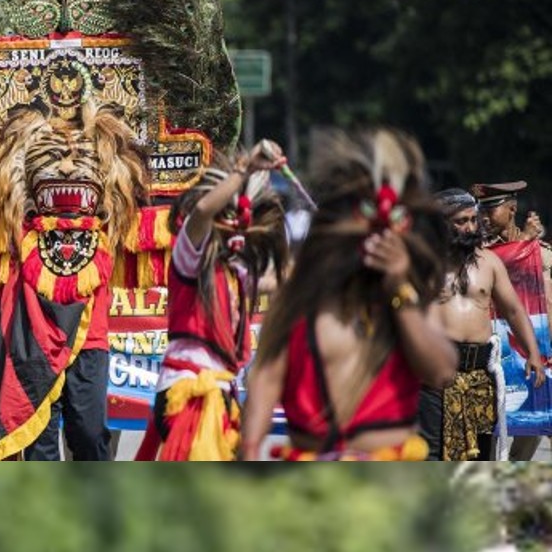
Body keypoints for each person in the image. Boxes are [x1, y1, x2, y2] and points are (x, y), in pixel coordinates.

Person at [242, 128, 458, 461]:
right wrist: (250, 450)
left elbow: (441, 371)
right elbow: (266, 377)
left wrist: (399, 289)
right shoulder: (301, 299)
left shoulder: (412, 297)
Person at [135, 140, 289, 460]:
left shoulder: (236, 276)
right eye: (228, 217)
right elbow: (204, 211)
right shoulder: (190, 258)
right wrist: (243, 169)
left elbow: (279, 280)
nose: (236, 228)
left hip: (221, 395)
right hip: (190, 394)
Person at [419, 188, 544, 461]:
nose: (470, 227)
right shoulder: (424, 265)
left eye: (472, 220)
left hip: (479, 377)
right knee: (431, 456)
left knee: (480, 456)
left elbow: (513, 310)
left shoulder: (489, 262)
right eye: (460, 222)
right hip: (435, 376)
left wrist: (533, 354)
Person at [472, 180, 552, 461]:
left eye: (490, 210)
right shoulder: (479, 254)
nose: (482, 217)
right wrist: (523, 245)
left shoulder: (540, 254)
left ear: (511, 209)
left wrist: (528, 246)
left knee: (532, 432)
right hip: (496, 360)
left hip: (540, 358)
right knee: (490, 438)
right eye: (480, 210)